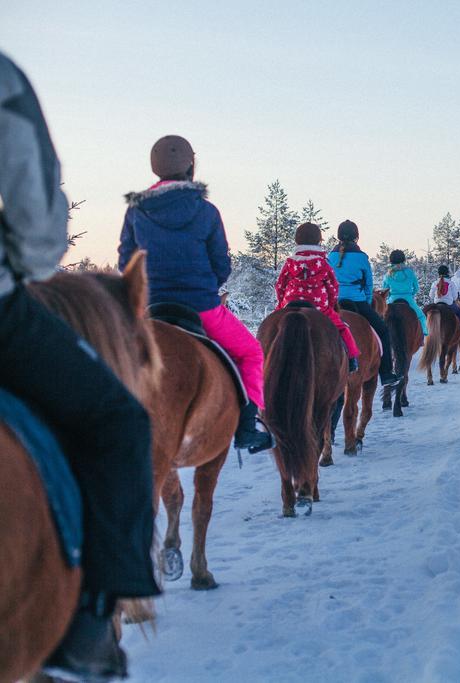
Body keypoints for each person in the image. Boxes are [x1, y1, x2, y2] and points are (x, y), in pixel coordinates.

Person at [0, 51, 159, 680]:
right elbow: (38, 235)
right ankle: (90, 632)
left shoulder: (140, 210)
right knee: (119, 421)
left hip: (150, 290)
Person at [118, 134, 272, 453]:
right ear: (190, 165)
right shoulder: (206, 211)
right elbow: (221, 263)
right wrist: (206, 286)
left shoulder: (136, 211)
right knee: (251, 353)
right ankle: (247, 427)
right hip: (202, 307)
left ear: (155, 168)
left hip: (150, 309)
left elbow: (126, 263)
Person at [274, 222, 360, 372]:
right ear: (319, 241)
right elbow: (333, 287)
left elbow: (280, 285)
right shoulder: (323, 263)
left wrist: (281, 303)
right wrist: (331, 304)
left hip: (289, 304)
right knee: (343, 328)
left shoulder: (290, 262)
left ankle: (262, 355)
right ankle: (352, 359)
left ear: (297, 241)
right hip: (319, 307)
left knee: (270, 326)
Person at [327, 220, 401, 387]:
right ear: (356, 236)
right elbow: (368, 284)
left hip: (334, 303)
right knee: (382, 331)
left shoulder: (330, 256)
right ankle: (386, 373)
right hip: (358, 302)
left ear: (338, 236)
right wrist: (367, 302)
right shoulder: (361, 257)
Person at [381, 250, 428, 337]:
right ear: (403, 260)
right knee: (422, 317)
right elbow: (416, 288)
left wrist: (389, 296)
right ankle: (422, 336)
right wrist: (411, 294)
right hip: (408, 299)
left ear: (391, 261)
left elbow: (384, 290)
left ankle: (382, 337)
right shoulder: (410, 272)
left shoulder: (388, 274)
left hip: (392, 300)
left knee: (382, 317)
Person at [430, 265, 460, 333]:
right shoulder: (451, 283)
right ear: (447, 273)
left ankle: (424, 326)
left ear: (438, 273)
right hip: (449, 305)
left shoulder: (435, 283)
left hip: (436, 304)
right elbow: (455, 296)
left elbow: (431, 295)